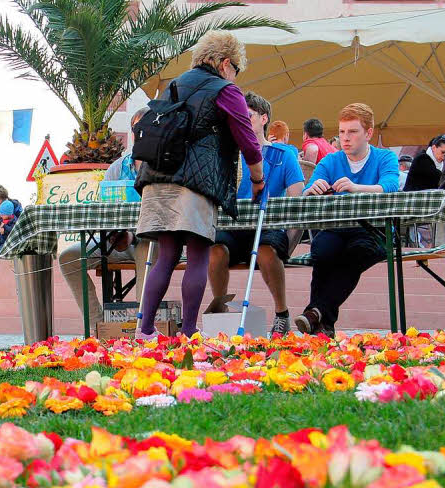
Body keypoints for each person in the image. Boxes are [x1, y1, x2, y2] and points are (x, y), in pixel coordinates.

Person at [134, 30, 265, 338]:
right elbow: (248, 140)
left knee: (166, 255)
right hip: (195, 183)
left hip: (156, 179)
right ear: (224, 62)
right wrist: (258, 180)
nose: (235, 76)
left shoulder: (173, 86)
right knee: (198, 253)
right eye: (236, 68)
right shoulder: (225, 90)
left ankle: (146, 331)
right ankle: (190, 333)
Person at [294, 103, 400, 337]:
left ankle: (316, 314)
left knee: (357, 253)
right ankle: (322, 320)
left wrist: (356, 187)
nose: (345, 138)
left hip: (374, 230)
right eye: (342, 132)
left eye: (352, 132)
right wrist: (313, 189)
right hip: (337, 228)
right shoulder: (332, 161)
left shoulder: (385, 157)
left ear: (369, 133)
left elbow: (392, 186)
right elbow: (308, 188)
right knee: (322, 250)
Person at [207, 91, 305, 334]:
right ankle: (220, 311)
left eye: (247, 115)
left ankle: (282, 313)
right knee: (215, 250)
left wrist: (291, 240)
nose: (240, 119)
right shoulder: (227, 156)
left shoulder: (283, 156)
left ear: (264, 119)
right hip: (233, 227)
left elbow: (297, 199)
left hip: (268, 226)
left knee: (266, 252)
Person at [58, 106, 155, 326]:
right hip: (115, 243)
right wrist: (115, 234)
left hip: (151, 241)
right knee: (68, 257)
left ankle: (144, 326)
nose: (142, 133)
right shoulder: (117, 168)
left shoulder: (165, 166)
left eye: (148, 128)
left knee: (145, 249)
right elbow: (105, 211)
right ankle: (98, 326)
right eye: (137, 129)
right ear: (132, 132)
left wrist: (133, 235)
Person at [404, 134, 445, 247]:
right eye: (443, 152)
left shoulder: (435, 162)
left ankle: (442, 244)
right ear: (434, 147)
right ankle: (439, 246)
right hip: (415, 205)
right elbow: (442, 180)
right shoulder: (422, 160)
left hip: (427, 203)